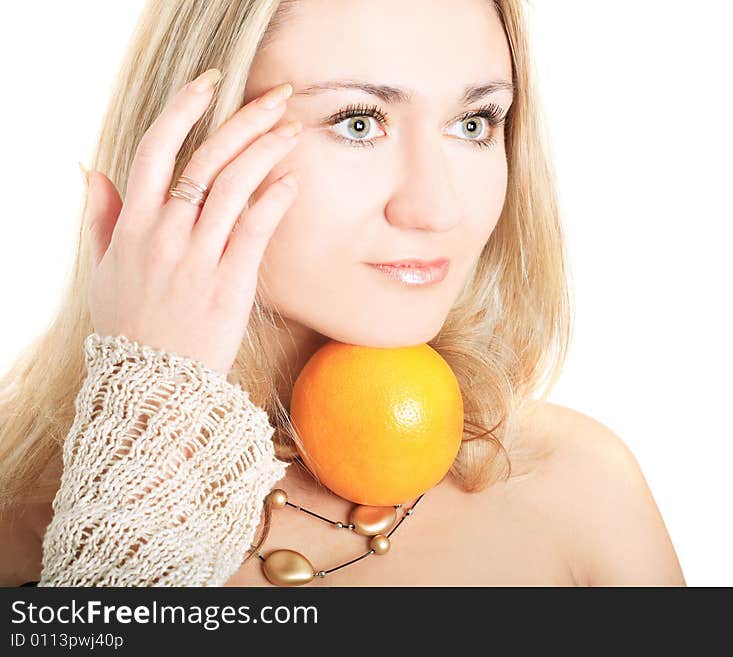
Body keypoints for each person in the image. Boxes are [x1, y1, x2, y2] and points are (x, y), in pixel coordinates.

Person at [0, 0, 685, 587]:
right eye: (358, 121)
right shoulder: (22, 519)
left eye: (474, 123)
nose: (435, 208)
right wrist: (139, 474)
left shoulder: (577, 487)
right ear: (194, 139)